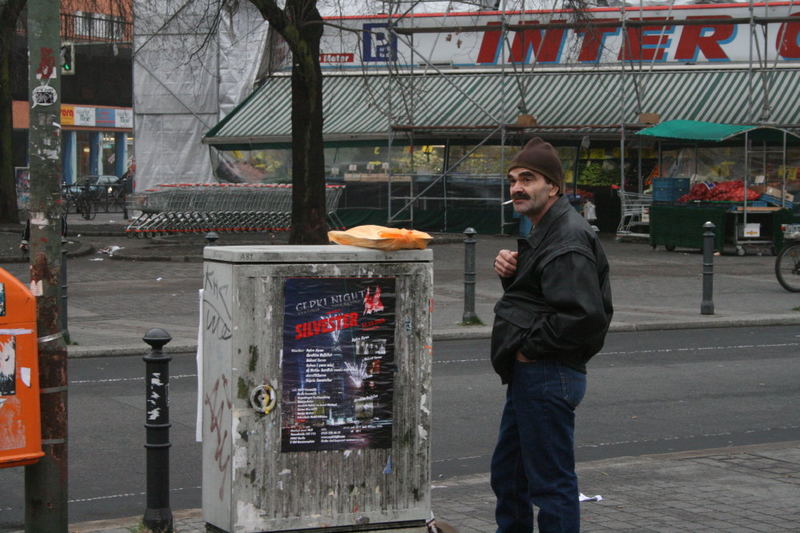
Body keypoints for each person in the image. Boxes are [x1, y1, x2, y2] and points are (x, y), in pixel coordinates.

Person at [490, 137, 613, 533]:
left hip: (546, 372)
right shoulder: (548, 230)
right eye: (512, 180)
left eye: (528, 178)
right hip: (536, 373)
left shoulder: (567, 237)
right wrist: (512, 275)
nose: (517, 188)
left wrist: (528, 350)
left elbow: (582, 317)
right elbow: (542, 301)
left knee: (551, 484)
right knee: (509, 476)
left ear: (554, 187)